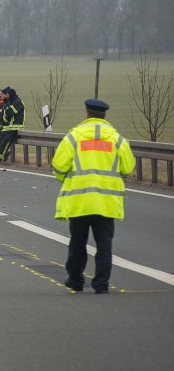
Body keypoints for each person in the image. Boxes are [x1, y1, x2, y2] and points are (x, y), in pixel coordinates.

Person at [52, 98, 135, 294]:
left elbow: (58, 167)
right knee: (104, 244)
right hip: (107, 202)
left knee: (77, 243)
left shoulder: (74, 137)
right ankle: (101, 284)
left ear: (87, 114)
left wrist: (67, 178)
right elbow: (128, 167)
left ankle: (75, 280)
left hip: (80, 201)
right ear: (104, 116)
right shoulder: (117, 139)